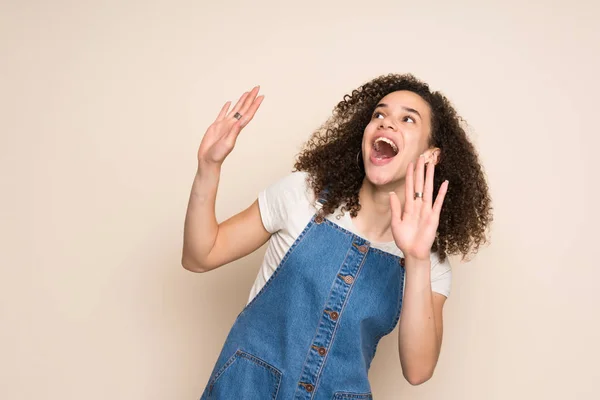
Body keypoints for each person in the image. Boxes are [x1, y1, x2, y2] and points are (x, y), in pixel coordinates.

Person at [182, 74, 492, 399]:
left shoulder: (430, 263)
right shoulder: (302, 195)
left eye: (407, 119)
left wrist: (415, 259)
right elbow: (200, 256)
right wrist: (208, 166)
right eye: (379, 115)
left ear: (430, 155)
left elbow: (418, 370)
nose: (386, 123)